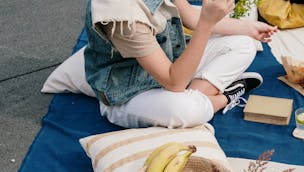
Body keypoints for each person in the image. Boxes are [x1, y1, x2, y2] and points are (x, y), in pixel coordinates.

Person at [83, 0, 278, 129]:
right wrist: (207, 23)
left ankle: (199, 100)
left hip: (169, 65)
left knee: (243, 44)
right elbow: (174, 82)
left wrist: (248, 28)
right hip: (127, 92)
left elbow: (193, 18)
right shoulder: (123, 14)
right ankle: (224, 97)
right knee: (186, 110)